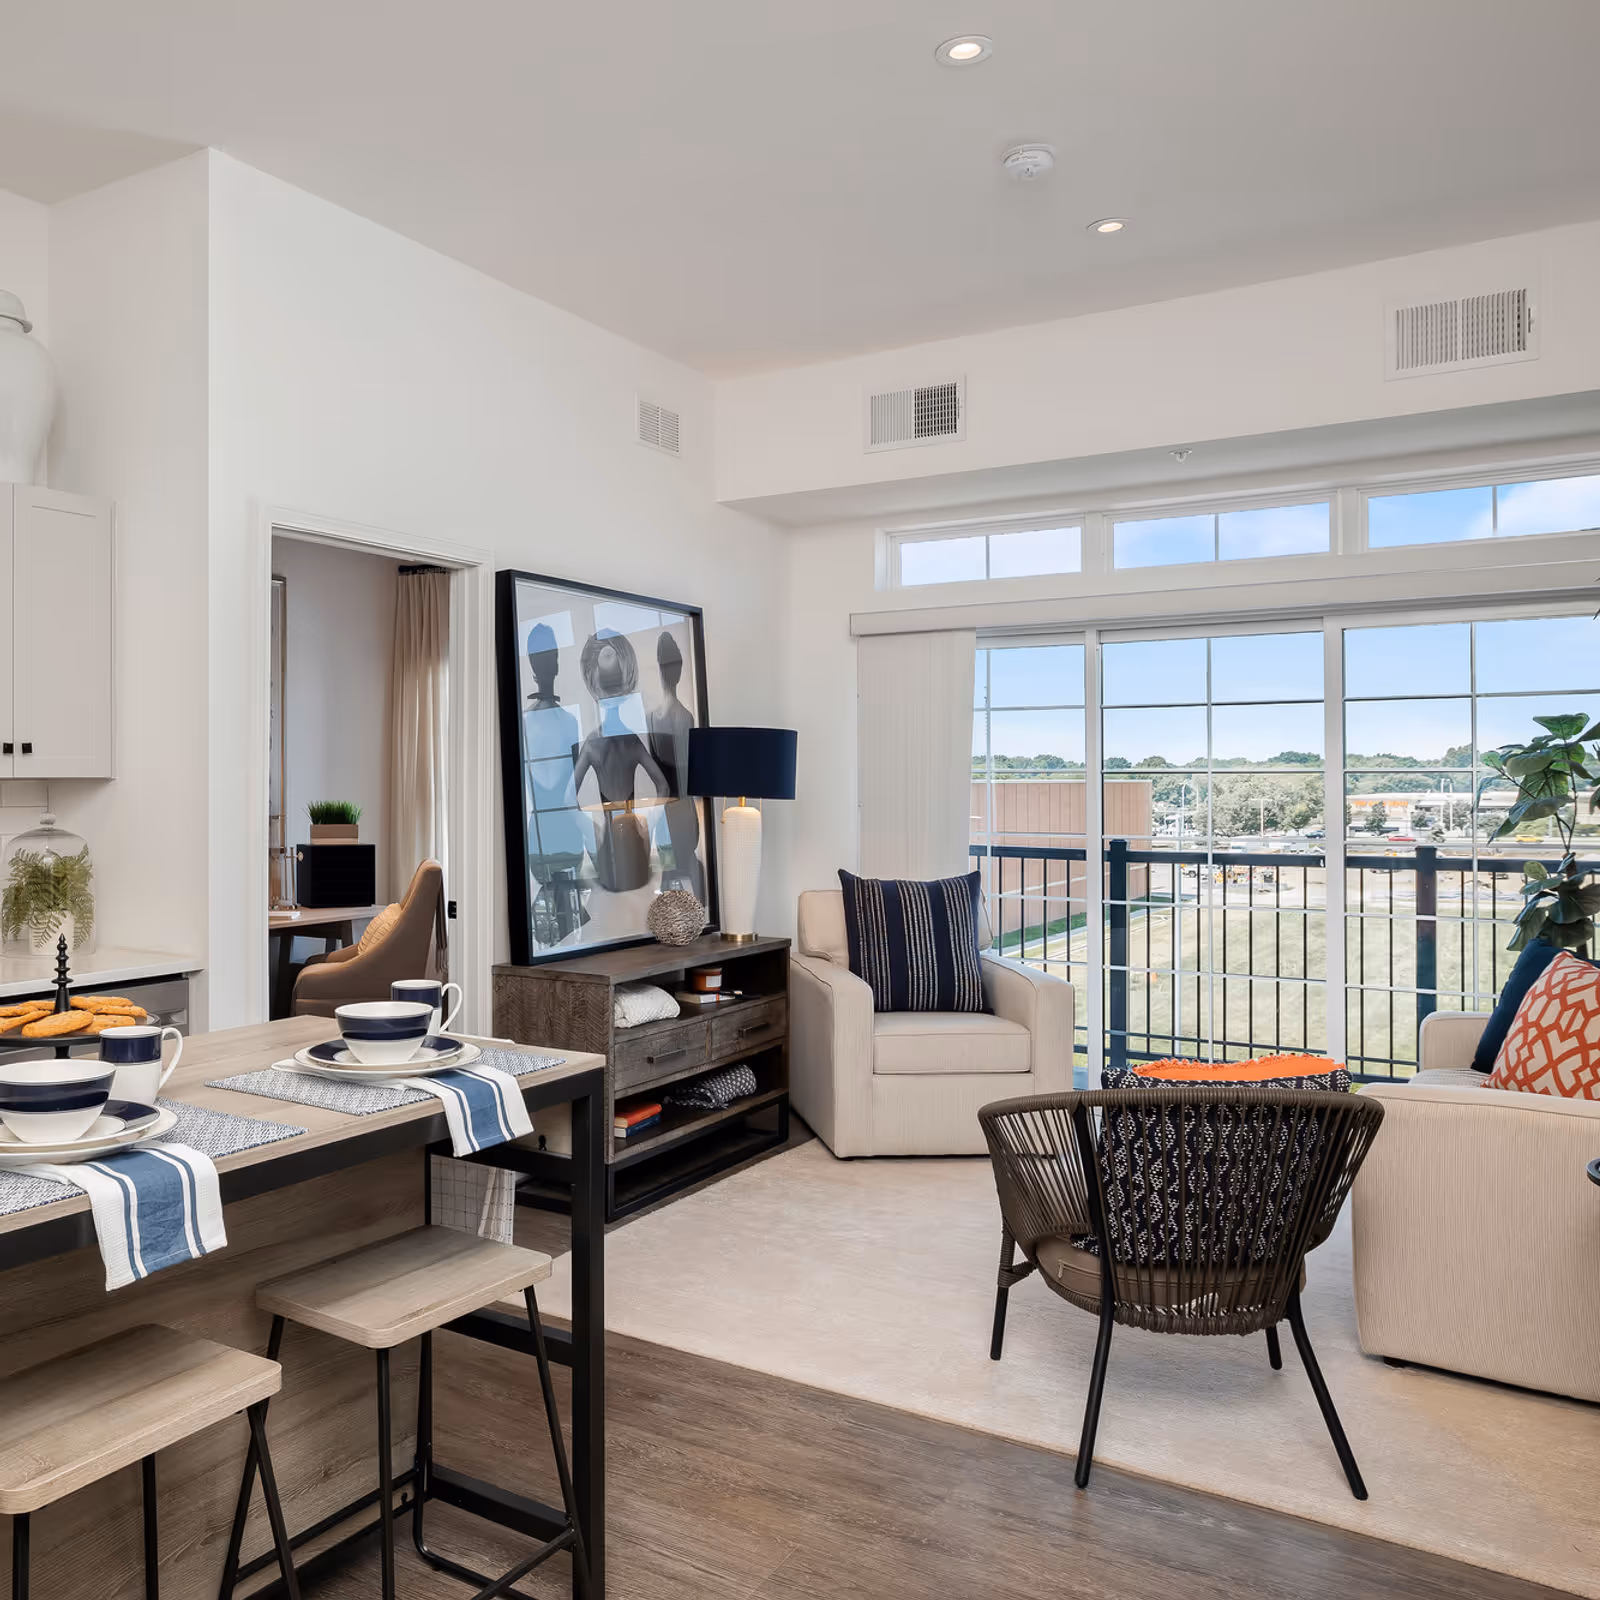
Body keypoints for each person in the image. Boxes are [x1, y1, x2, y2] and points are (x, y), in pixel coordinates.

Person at [571, 629, 669, 893]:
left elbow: (568, 797)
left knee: (622, 899)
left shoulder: (597, 743)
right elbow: (663, 786)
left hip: (614, 838)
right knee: (630, 898)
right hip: (628, 837)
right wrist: (649, 823)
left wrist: (592, 830)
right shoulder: (628, 742)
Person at [647, 631, 704, 899]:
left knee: (671, 872)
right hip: (679, 808)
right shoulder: (684, 717)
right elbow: (685, 772)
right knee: (679, 870)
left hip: (667, 809)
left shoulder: (656, 717)